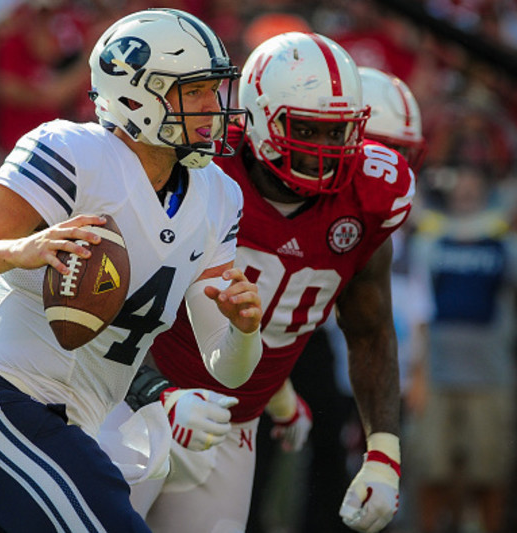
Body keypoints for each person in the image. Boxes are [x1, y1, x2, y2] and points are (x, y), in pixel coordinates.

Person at [0, 8, 264, 532]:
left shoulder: (218, 195)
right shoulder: (74, 153)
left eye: (214, 90)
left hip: (85, 425)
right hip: (10, 406)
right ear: (138, 94)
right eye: (194, 92)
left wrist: (243, 328)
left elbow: (227, 368)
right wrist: (18, 250)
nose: (213, 107)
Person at [111, 32, 416, 533]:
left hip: (233, 425)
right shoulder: (201, 167)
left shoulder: (368, 199)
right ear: (257, 115)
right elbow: (122, 294)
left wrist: (383, 453)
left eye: (337, 132)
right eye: (307, 130)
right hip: (132, 403)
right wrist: (157, 392)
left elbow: (369, 329)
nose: (324, 150)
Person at [408, 164, 516, 533]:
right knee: (431, 468)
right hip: (436, 374)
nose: (466, 193)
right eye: (460, 186)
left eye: (474, 186)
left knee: (489, 471)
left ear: (487, 193)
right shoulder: (427, 242)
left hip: (491, 375)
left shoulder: (506, 245)